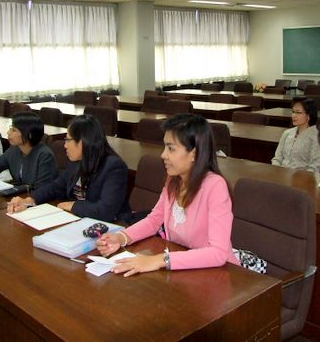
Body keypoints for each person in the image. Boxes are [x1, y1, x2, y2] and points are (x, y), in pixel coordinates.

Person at [96, 114, 239, 276]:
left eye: (171, 148)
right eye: (165, 147)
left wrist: (159, 260)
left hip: (217, 273)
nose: (163, 155)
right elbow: (154, 220)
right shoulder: (174, 180)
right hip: (183, 269)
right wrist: (121, 237)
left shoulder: (215, 186)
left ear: (194, 153)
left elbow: (218, 253)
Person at [7, 114, 129, 221]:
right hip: (77, 218)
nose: (65, 145)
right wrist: (30, 200)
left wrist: (73, 205)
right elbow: (56, 187)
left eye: (68, 140)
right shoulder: (76, 161)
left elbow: (106, 210)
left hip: (109, 226)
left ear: (82, 142)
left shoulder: (114, 167)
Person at [271, 97, 320, 172]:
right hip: (280, 174)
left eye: (298, 112)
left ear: (309, 115)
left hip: (302, 177)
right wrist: (277, 172)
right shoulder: (287, 133)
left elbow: (314, 168)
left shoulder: (317, 137)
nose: (294, 115)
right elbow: (277, 158)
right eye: (293, 112)